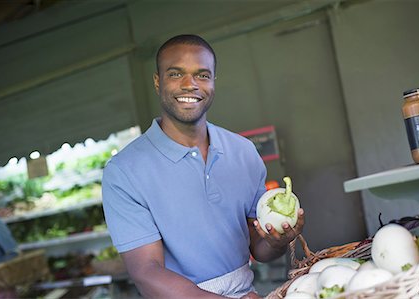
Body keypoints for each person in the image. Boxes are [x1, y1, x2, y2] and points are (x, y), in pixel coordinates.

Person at [102, 34, 305, 299]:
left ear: (212, 83)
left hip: (247, 292)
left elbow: (260, 249)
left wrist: (277, 240)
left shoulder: (243, 152)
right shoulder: (124, 171)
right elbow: (147, 273)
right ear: (157, 81)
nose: (190, 85)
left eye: (202, 75)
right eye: (176, 74)